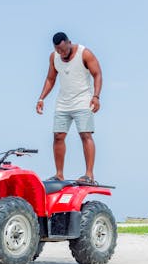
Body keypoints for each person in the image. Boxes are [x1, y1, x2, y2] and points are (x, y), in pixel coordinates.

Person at [36, 32, 102, 184]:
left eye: (64, 50)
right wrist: (41, 98)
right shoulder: (54, 57)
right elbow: (50, 79)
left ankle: (89, 175)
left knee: (85, 135)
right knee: (58, 136)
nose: (62, 53)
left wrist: (96, 96)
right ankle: (59, 174)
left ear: (69, 43)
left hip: (83, 100)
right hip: (63, 102)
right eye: (58, 51)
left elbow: (97, 74)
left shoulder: (84, 53)